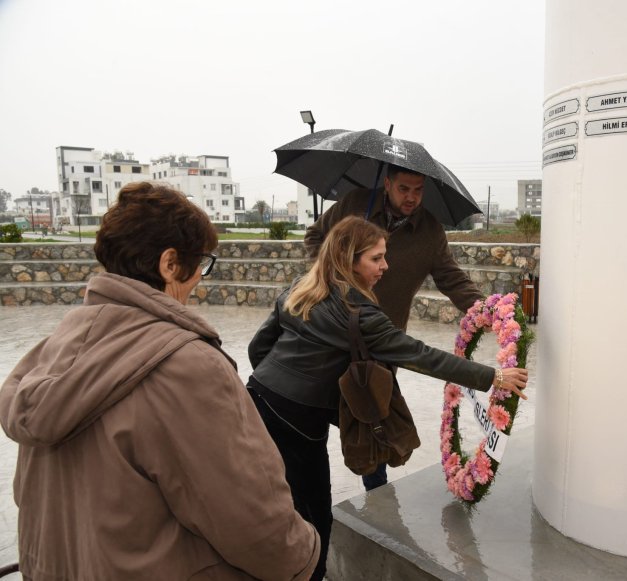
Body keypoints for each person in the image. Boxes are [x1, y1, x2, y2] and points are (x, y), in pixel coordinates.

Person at [0, 182, 319, 580]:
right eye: (200, 262)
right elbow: (252, 521)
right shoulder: (187, 367)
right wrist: (303, 556)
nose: (200, 278)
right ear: (170, 264)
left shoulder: (55, 348)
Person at [248, 216, 528, 581]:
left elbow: (259, 347)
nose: (386, 266)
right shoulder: (360, 314)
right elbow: (423, 356)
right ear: (350, 260)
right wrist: (494, 376)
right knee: (314, 512)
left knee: (273, 502)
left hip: (257, 400)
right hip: (297, 421)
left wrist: (277, 386)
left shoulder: (302, 288)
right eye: (376, 258)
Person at [304, 163, 485, 490]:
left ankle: (378, 499)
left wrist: (484, 310)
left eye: (418, 190)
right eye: (404, 188)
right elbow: (316, 237)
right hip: (331, 331)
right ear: (387, 183)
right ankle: (309, 491)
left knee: (373, 424)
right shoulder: (355, 204)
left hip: (380, 343)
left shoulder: (430, 230)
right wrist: (327, 276)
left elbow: (451, 278)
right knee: (314, 414)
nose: (412, 197)